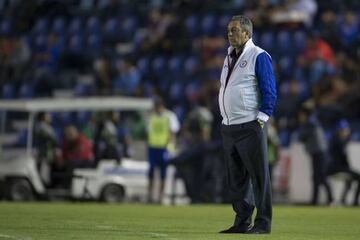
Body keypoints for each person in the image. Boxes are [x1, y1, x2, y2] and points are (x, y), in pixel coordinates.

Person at [218, 16, 276, 234]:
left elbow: (269, 89)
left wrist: (261, 119)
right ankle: (242, 222)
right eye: (228, 31)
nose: (230, 35)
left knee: (259, 177)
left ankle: (263, 223)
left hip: (250, 125)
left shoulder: (258, 55)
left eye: (234, 31)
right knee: (237, 180)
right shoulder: (229, 56)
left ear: (247, 33)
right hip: (229, 127)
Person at [147, 96, 180, 203]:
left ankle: (160, 197)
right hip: (152, 147)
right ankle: (150, 196)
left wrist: (171, 147)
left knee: (163, 173)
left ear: (161, 106)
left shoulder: (169, 116)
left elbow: (173, 132)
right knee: (151, 171)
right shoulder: (151, 117)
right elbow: (149, 132)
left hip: (164, 148)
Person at [298, 106, 333, 205]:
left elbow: (302, 137)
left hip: (318, 153)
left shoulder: (309, 123)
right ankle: (318, 200)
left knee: (319, 176)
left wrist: (300, 126)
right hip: (319, 152)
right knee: (318, 176)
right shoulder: (314, 121)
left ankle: (326, 199)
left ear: (304, 114)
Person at [328, 120, 360, 206]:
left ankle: (344, 200)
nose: (345, 132)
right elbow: (339, 157)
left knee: (351, 178)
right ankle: (354, 202)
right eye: (343, 130)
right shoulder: (337, 141)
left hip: (340, 166)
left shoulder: (340, 141)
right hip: (335, 167)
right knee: (357, 177)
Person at [35, 112, 57, 186]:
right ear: (43, 117)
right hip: (45, 152)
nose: (50, 117)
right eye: (48, 116)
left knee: (46, 168)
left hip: (47, 151)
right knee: (44, 169)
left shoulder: (45, 127)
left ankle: (46, 183)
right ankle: (44, 185)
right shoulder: (41, 126)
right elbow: (51, 138)